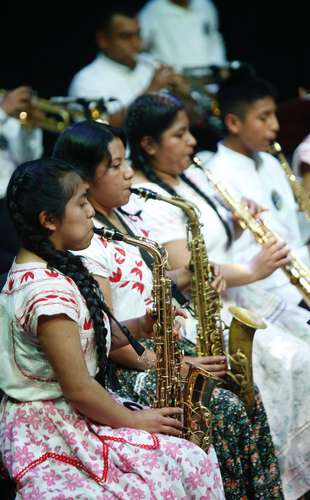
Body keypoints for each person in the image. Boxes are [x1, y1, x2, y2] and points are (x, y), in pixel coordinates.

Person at [53, 120, 284, 499]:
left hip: (157, 347)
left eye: (126, 161)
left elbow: (146, 280)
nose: (129, 172)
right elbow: (108, 341)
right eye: (115, 165)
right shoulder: (87, 245)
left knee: (244, 388)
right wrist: (176, 365)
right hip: (127, 367)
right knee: (221, 406)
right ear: (83, 180)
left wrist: (192, 275)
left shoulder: (122, 218)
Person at [0, 158, 225, 499]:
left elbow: (86, 341)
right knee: (179, 464)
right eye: (81, 202)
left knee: (190, 457)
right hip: (50, 427)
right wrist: (135, 420)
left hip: (76, 413)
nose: (91, 211)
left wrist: (140, 326)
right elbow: (77, 388)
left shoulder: (55, 269)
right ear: (48, 220)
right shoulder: (44, 295)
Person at [124, 91, 310, 500]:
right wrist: (253, 268)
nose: (192, 141)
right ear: (149, 146)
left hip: (234, 297)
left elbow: (208, 247)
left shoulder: (190, 174)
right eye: (179, 134)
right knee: (294, 362)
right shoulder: (148, 197)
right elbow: (187, 267)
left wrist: (240, 224)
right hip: (200, 310)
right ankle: (281, 475)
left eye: (189, 131)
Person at [206, 73, 310, 309]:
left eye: (274, 114)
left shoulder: (270, 161)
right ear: (233, 123)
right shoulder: (217, 176)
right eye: (264, 117)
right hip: (268, 290)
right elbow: (237, 254)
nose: (275, 125)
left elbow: (291, 231)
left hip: (300, 270)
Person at [68, 4, 180, 127]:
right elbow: (99, 129)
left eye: (138, 34)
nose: (137, 44)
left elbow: (190, 118)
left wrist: (182, 93)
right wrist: (151, 91)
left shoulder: (152, 64)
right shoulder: (86, 80)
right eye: (126, 37)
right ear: (103, 40)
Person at [0, 86, 43, 273]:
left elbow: (26, 158)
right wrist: (2, 112)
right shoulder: (4, 104)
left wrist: (29, 128)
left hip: (16, 196)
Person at [139, 0, 227, 71]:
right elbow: (139, 49)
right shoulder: (152, 11)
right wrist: (159, 67)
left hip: (209, 78)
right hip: (175, 83)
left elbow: (213, 39)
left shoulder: (205, 5)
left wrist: (220, 65)